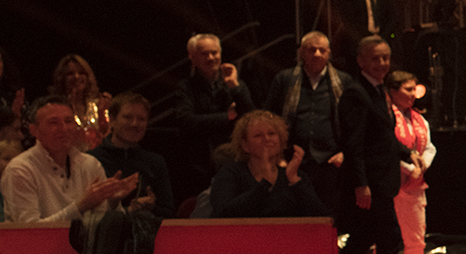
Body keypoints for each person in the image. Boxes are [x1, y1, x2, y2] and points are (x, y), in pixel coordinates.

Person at [335, 36, 415, 254]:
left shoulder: (379, 91)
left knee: (360, 240)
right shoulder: (356, 94)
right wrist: (361, 184)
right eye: (375, 58)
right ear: (360, 61)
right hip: (371, 183)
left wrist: (407, 153)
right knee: (388, 238)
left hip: (382, 180)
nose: (382, 63)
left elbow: (383, 136)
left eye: (385, 58)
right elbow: (353, 144)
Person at [2, 97, 133, 226]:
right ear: (33, 130)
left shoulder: (89, 164)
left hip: (83, 247)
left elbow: (101, 226)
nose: (63, 128)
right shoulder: (21, 169)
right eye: (53, 122)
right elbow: (30, 231)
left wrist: (112, 203)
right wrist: (80, 206)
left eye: (68, 121)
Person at [269, 32, 349, 211]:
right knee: (294, 212)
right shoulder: (285, 79)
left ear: (329, 53)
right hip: (292, 161)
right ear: (301, 53)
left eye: (322, 50)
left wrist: (345, 152)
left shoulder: (343, 81)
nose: (317, 54)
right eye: (312, 50)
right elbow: (270, 118)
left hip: (330, 162)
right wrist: (277, 155)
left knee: (328, 214)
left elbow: (353, 123)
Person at [169, 34, 250, 202]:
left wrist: (234, 87)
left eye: (215, 52)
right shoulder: (185, 87)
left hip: (232, 161)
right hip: (198, 164)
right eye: (204, 53)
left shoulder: (234, 84)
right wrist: (227, 117)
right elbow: (185, 121)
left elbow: (251, 117)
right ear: (192, 57)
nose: (211, 58)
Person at [207, 110, 326, 218]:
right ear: (245, 145)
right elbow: (223, 213)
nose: (266, 139)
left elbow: (321, 218)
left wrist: (295, 181)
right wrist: (265, 185)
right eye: (258, 135)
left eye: (272, 134)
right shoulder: (230, 174)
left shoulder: (294, 174)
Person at [387, 71, 437, 254]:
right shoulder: (386, 116)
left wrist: (422, 165)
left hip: (415, 184)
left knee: (416, 238)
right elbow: (384, 149)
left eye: (414, 89)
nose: (413, 95)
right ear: (393, 91)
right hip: (389, 182)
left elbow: (429, 147)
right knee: (386, 238)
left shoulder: (419, 119)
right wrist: (408, 168)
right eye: (407, 89)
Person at [93, 92, 174, 213]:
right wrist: (128, 210)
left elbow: (169, 214)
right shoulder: (92, 160)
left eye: (141, 119)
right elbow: (86, 213)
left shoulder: (155, 162)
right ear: (112, 120)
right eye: (128, 117)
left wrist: (152, 207)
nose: (135, 124)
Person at [48, 55, 109, 150]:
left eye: (81, 73)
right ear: (62, 78)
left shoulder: (100, 105)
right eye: (70, 74)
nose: (76, 77)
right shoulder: (54, 108)